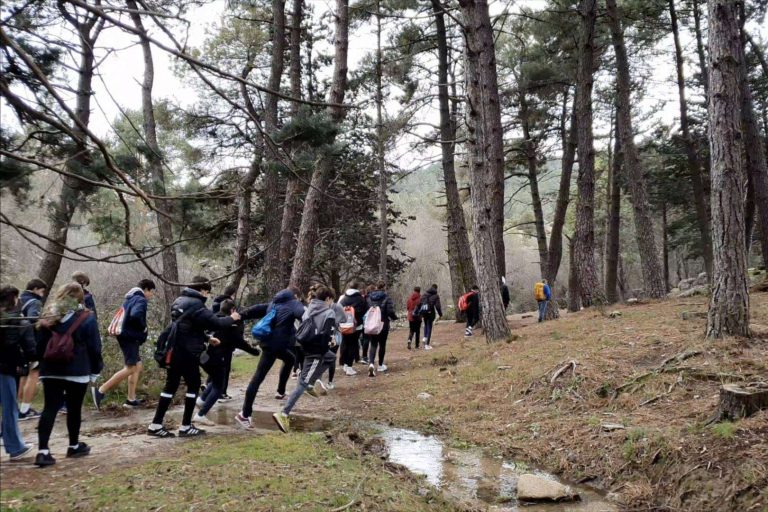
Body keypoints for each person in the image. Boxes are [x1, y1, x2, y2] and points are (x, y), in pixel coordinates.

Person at [147, 276, 240, 438]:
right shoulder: (197, 305)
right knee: (194, 384)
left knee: (170, 386)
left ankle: (155, 425)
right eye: (207, 291)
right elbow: (216, 323)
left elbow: (186, 327)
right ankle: (185, 426)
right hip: (187, 353)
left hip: (174, 350)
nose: (208, 295)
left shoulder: (179, 301)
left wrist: (207, 338)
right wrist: (232, 318)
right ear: (203, 290)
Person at [34, 283, 103, 467]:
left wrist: (42, 364)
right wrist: (96, 369)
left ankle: (43, 451)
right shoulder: (87, 318)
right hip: (77, 370)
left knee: (49, 408)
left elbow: (39, 346)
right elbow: (95, 348)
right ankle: (73, 446)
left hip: (50, 370)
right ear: (80, 298)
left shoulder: (49, 316)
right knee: (74, 409)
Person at [272, 286, 345, 433]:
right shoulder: (329, 312)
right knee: (302, 384)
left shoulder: (309, 307)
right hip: (316, 352)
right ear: (328, 299)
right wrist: (326, 346)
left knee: (331, 357)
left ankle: (310, 384)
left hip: (304, 346)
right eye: (332, 300)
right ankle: (284, 413)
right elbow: (326, 335)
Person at [234, 287, 305, 429]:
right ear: (296, 296)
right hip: (275, 346)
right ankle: (244, 414)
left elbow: (257, 309)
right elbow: (305, 315)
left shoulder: (275, 303)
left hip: (268, 343)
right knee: (258, 377)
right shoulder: (293, 303)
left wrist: (240, 315)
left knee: (290, 359)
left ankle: (280, 392)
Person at [194, 299, 260, 425]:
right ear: (232, 310)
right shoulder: (230, 325)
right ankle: (201, 414)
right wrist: (254, 352)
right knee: (218, 387)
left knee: (215, 380)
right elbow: (240, 342)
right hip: (218, 358)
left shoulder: (213, 318)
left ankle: (201, 400)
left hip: (204, 356)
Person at [93, 279, 156, 409]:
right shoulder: (140, 299)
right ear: (146, 289)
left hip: (125, 335)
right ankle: (100, 391)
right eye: (152, 292)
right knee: (131, 367)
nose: (152, 295)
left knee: (137, 365)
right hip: (130, 337)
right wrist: (143, 328)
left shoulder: (130, 298)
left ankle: (131, 399)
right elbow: (135, 315)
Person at [0, 286, 37, 462]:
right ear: (13, 299)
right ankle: (15, 447)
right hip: (5, 369)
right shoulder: (19, 321)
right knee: (9, 408)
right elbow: (30, 350)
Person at [18, 278, 47, 421]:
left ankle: (18, 409)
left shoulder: (19, 299)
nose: (42, 294)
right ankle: (25, 409)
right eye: (42, 291)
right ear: (35, 289)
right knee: (33, 375)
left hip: (18, 344)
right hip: (32, 344)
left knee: (23, 375)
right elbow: (33, 320)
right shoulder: (35, 302)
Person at [209, 284, 238, 401]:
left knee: (216, 366)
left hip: (214, 339)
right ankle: (222, 393)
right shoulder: (230, 304)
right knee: (225, 367)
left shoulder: (216, 302)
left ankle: (209, 385)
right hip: (226, 340)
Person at [366, 282, 397, 376]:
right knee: (382, 345)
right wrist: (394, 317)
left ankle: (371, 363)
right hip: (383, 324)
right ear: (384, 288)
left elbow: (366, 309)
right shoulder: (387, 298)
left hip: (372, 324)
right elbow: (390, 311)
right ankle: (380, 365)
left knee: (373, 344)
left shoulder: (369, 298)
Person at [338, 282, 368, 375]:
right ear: (357, 288)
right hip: (356, 326)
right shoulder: (360, 299)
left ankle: (344, 364)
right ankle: (349, 367)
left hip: (343, 325)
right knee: (353, 345)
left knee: (345, 343)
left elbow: (338, 309)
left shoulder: (343, 298)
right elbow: (365, 311)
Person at [419, 284, 442, 350]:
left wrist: (420, 313)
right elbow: (438, 306)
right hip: (431, 313)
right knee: (429, 327)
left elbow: (419, 304)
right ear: (436, 288)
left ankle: (424, 338)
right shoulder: (436, 295)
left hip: (424, 313)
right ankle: (427, 345)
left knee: (426, 324)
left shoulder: (424, 294)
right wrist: (440, 314)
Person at [359, 284, 376, 364]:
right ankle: (365, 356)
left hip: (362, 319)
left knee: (364, 337)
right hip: (369, 319)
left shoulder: (364, 298)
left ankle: (364, 355)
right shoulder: (370, 299)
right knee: (367, 338)